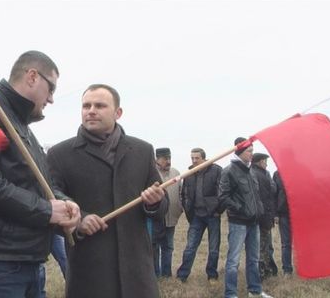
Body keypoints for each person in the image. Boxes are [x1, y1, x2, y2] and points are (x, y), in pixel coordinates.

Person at [0, 50, 81, 298]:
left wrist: (64, 204)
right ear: (32, 76)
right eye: (50, 88)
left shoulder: (24, 131)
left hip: (26, 260)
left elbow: (41, 186)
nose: (51, 99)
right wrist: (46, 210)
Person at [46, 83, 168, 298]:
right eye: (86, 106)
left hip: (136, 271)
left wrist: (155, 202)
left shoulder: (141, 150)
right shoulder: (60, 154)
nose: (91, 110)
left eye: (100, 105)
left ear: (117, 112)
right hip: (90, 271)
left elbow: (161, 206)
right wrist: (79, 220)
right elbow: (51, 203)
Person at [218, 137, 273, 298]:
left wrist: (259, 210)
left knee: (254, 259)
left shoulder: (251, 171)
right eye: (249, 151)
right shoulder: (228, 171)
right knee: (233, 260)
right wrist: (241, 209)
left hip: (254, 222)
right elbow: (223, 197)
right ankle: (230, 294)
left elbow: (256, 196)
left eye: (252, 151)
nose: (252, 154)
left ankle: (255, 291)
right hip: (238, 223)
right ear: (241, 152)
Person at [176, 148, 222, 284]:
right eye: (192, 158)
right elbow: (184, 194)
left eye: (197, 158)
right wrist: (188, 209)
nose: (194, 161)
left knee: (213, 248)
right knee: (190, 247)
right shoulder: (189, 174)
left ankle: (212, 275)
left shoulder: (216, 171)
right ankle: (182, 276)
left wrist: (218, 210)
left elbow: (222, 192)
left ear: (203, 158)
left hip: (213, 215)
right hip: (196, 216)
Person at [152, 147, 183, 278]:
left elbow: (181, 192)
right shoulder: (151, 173)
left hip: (172, 218)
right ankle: (155, 274)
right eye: (165, 159)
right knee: (154, 247)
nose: (168, 161)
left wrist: (180, 207)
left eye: (169, 158)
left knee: (168, 247)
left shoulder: (176, 173)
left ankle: (167, 274)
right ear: (157, 159)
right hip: (156, 218)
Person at [250, 153, 278, 280]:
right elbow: (272, 190)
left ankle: (267, 269)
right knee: (261, 246)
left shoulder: (263, 173)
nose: (266, 164)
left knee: (265, 245)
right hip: (262, 216)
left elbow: (273, 189)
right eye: (265, 161)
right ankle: (261, 273)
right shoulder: (257, 174)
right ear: (260, 162)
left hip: (262, 215)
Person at [273, 170, 293, 275]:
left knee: (303, 242)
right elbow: (274, 195)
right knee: (286, 243)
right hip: (283, 213)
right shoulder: (277, 174)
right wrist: (275, 214)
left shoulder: (301, 171)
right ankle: (287, 270)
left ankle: (308, 269)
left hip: (298, 214)